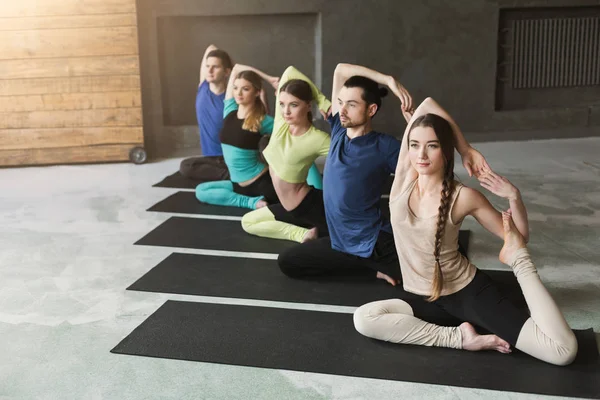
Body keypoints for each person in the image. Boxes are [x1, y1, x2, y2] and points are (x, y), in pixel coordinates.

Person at [353, 97, 578, 366]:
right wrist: (466, 148)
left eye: (432, 146)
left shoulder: (463, 197)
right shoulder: (403, 181)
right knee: (365, 319)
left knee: (562, 352)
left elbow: (518, 236)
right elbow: (425, 106)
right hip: (423, 298)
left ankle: (519, 264)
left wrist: (514, 198)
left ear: (445, 151)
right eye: (414, 145)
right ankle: (462, 338)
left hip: (467, 294)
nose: (421, 155)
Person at [276, 63, 415, 284]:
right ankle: (370, 269)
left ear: (371, 110)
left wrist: (414, 134)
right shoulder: (339, 130)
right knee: (289, 262)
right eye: (340, 103)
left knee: (421, 285)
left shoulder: (385, 146)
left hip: (373, 242)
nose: (342, 110)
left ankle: (377, 262)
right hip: (341, 242)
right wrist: (388, 79)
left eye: (351, 105)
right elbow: (340, 69)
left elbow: (424, 172)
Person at [241, 66, 332, 243]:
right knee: (248, 222)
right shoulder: (281, 124)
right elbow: (290, 71)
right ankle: (302, 235)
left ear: (308, 106)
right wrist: (321, 99)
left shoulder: (318, 138)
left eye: (294, 105)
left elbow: (350, 157)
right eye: (282, 104)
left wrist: (324, 104)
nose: (286, 111)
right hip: (288, 207)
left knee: (347, 239)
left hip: (308, 206)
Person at [195, 64, 279, 209]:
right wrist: (269, 79)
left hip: (259, 182)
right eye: (235, 88)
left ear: (257, 92)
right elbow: (236, 69)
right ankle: (251, 202)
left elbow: (290, 134)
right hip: (236, 183)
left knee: (290, 206)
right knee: (201, 191)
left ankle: (251, 201)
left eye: (245, 89)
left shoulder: (263, 120)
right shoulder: (229, 110)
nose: (238, 93)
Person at [180, 45, 233, 181]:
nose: (209, 70)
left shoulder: (231, 99)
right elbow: (211, 47)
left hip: (227, 157)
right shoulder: (203, 86)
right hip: (209, 158)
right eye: (207, 66)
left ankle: (233, 174)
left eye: (215, 67)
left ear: (227, 72)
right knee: (186, 166)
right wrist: (220, 58)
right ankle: (231, 176)